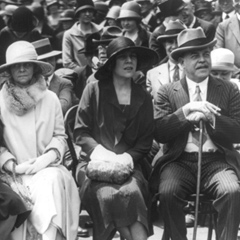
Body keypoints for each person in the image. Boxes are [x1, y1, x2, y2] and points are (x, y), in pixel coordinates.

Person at [150, 27, 240, 240]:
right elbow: (160, 132)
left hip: (217, 160)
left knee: (232, 191)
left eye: (205, 54)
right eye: (194, 56)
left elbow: (238, 132)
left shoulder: (228, 89)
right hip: (178, 160)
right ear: (181, 63)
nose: (202, 60)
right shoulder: (166, 92)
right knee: (168, 192)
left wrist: (212, 118)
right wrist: (184, 114)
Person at [74, 36, 159, 240]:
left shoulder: (144, 97)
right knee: (108, 194)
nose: (129, 61)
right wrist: (103, 155)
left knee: (132, 192)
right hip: (93, 166)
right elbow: (80, 132)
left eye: (133, 57)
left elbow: (145, 141)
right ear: (112, 63)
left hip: (131, 166)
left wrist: (125, 160)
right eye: (123, 57)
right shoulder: (93, 90)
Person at [0, 40, 80, 240]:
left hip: (47, 166)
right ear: (9, 70)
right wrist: (11, 164)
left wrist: (47, 158)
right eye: (16, 65)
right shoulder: (0, 100)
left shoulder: (51, 98)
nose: (22, 68)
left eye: (27, 64)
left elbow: (59, 136)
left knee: (51, 182)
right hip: (12, 172)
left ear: (35, 67)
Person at [150, 0, 216, 64]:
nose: (183, 15)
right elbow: (155, 62)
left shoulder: (183, 29)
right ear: (172, 17)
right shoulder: (157, 34)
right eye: (180, 13)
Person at [32, 38, 73, 115]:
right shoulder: (29, 82)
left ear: (55, 59)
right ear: (36, 64)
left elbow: (63, 106)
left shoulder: (64, 83)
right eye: (43, 61)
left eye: (51, 59)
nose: (49, 63)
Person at [147, 19, 185, 102]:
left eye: (178, 41)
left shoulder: (193, 69)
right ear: (164, 45)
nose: (174, 46)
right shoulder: (152, 74)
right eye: (170, 42)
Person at [62, 0, 102, 76]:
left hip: (100, 73)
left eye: (90, 11)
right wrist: (84, 72)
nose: (87, 14)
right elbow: (67, 62)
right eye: (84, 11)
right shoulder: (69, 34)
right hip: (79, 76)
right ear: (78, 13)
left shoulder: (101, 31)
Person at [215, 0, 240, 76]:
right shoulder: (223, 26)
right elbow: (218, 53)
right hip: (235, 78)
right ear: (236, 5)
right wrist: (237, 73)